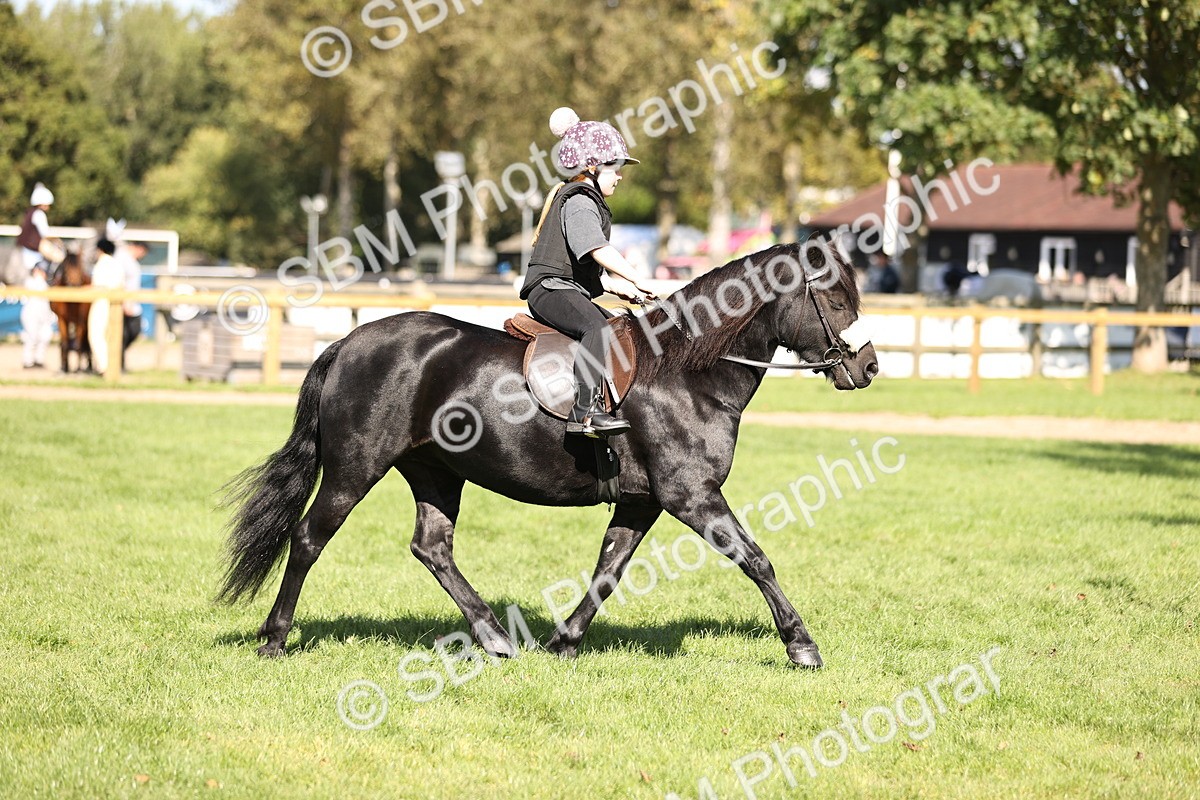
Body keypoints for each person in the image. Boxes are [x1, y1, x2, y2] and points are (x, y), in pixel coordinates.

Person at [520, 107, 657, 438]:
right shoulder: (581, 199)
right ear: (592, 167)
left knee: (615, 326)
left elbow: (582, 264)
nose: (620, 175)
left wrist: (615, 287)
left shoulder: (585, 197)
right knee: (597, 328)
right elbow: (596, 249)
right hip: (549, 290)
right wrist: (636, 276)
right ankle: (585, 415)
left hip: (562, 287)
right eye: (615, 168)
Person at [87, 221, 127, 374]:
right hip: (116, 302)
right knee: (112, 335)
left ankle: (104, 367)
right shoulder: (117, 264)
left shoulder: (102, 263)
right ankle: (110, 365)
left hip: (102, 301)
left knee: (96, 334)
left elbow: (98, 286)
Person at [118, 237, 148, 370]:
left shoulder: (131, 261)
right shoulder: (122, 258)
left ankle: (119, 361)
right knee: (122, 334)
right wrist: (124, 302)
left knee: (132, 331)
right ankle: (118, 364)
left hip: (133, 302)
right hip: (124, 302)